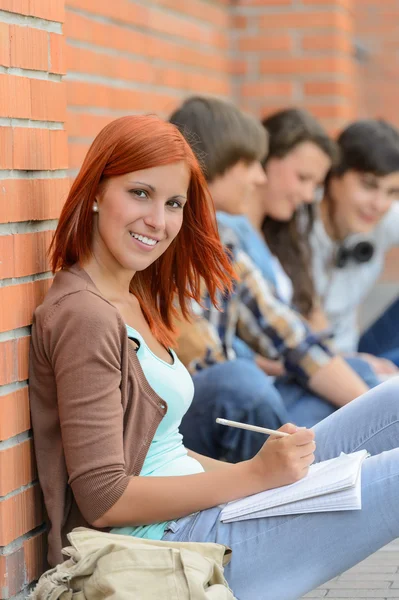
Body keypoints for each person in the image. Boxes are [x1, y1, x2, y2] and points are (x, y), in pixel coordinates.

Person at [29, 114, 399, 600]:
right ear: (96, 192)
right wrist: (254, 476)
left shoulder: (132, 298)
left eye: (174, 203)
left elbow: (166, 452)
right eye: (140, 193)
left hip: (206, 515)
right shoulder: (85, 315)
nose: (158, 221)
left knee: (391, 400)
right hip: (173, 550)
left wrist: (269, 473)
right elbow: (103, 498)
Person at [170, 98, 378, 434]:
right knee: (242, 383)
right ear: (216, 158)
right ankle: (303, 468)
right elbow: (199, 360)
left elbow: (291, 337)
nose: (259, 176)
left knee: (360, 380)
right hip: (191, 412)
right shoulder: (163, 235)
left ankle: (318, 461)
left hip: (242, 395)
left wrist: (374, 409)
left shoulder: (224, 240)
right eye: (251, 163)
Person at [310, 119, 399, 372]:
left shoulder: (382, 215)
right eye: (369, 185)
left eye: (392, 192)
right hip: (319, 367)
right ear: (334, 175)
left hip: (357, 352)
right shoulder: (295, 228)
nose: (379, 203)